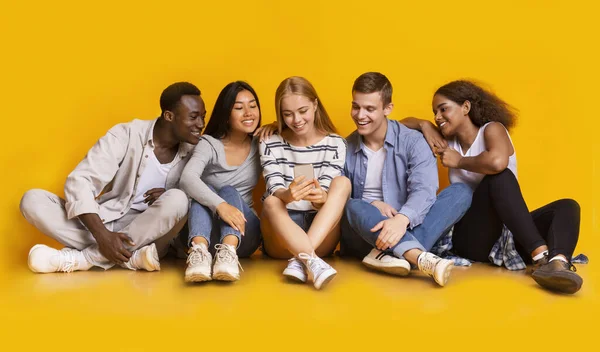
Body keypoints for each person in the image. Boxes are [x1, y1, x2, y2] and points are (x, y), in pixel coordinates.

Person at [401, 80, 583, 294]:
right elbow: (398, 126)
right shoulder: (446, 142)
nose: (437, 117)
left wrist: (459, 161)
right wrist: (423, 125)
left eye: (443, 109)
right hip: (471, 238)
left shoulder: (492, 130)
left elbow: (497, 161)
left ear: (465, 107)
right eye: (434, 112)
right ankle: (541, 257)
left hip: (509, 234)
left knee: (567, 206)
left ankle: (557, 263)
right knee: (498, 178)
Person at [20, 82, 205, 273]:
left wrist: (170, 194)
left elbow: (204, 198)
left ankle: (84, 258)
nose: (200, 124)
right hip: (107, 220)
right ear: (169, 116)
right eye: (193, 117)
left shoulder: (197, 152)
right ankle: (130, 258)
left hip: (150, 234)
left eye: (203, 117)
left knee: (178, 199)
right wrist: (103, 236)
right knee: (32, 200)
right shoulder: (126, 135)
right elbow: (80, 180)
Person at [340, 72, 472, 287]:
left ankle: (393, 255)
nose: (360, 115)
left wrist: (401, 219)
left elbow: (425, 189)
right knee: (353, 204)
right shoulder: (344, 147)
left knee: (461, 192)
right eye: (356, 107)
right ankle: (418, 257)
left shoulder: (413, 141)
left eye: (370, 109)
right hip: (364, 237)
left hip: (406, 226)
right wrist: (372, 204)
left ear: (387, 109)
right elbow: (336, 199)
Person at [259, 76, 351, 290]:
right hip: (281, 233)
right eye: (287, 114)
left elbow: (329, 198)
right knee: (271, 202)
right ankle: (310, 260)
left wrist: (322, 199)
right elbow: (273, 186)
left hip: (320, 233)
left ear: (315, 105)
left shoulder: (336, 143)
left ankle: (303, 259)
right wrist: (287, 195)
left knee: (343, 182)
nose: (296, 120)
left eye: (302, 111)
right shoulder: (270, 142)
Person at [179, 81, 266, 283]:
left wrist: (277, 127)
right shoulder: (209, 144)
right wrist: (220, 206)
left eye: (253, 106)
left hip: (244, 235)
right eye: (239, 108)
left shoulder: (262, 142)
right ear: (226, 113)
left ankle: (228, 252)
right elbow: (187, 178)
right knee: (206, 190)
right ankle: (199, 253)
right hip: (202, 233)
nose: (248, 113)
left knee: (228, 190)